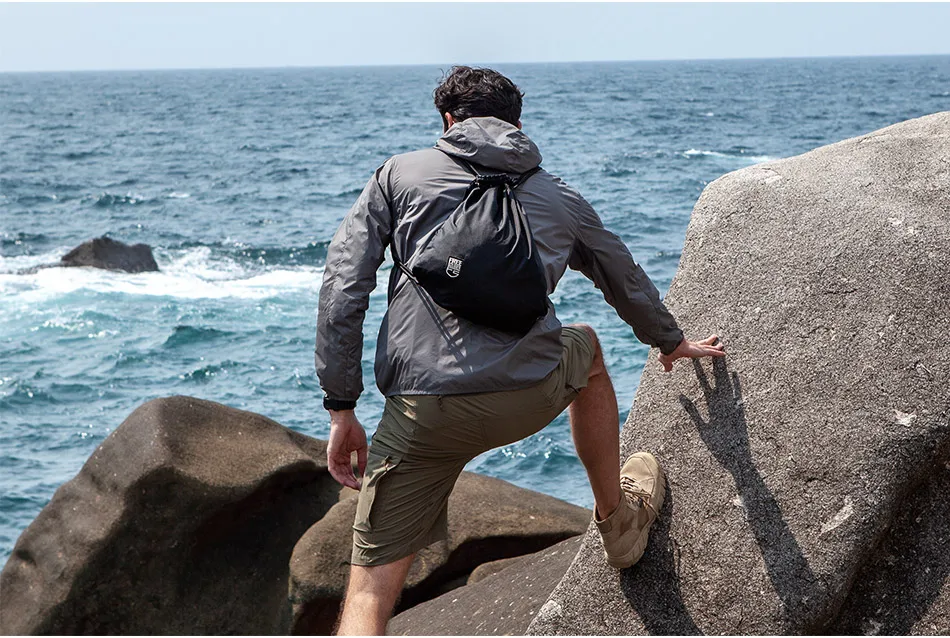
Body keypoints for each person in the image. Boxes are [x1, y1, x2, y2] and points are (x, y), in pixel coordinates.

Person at [315, 66, 725, 635]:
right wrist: (671, 341)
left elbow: (343, 287)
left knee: (368, 592)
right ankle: (618, 523)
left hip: (423, 414)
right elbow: (620, 274)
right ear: (518, 125)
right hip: (531, 395)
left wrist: (342, 407)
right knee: (586, 349)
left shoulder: (398, 176)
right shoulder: (559, 196)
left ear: (446, 121)